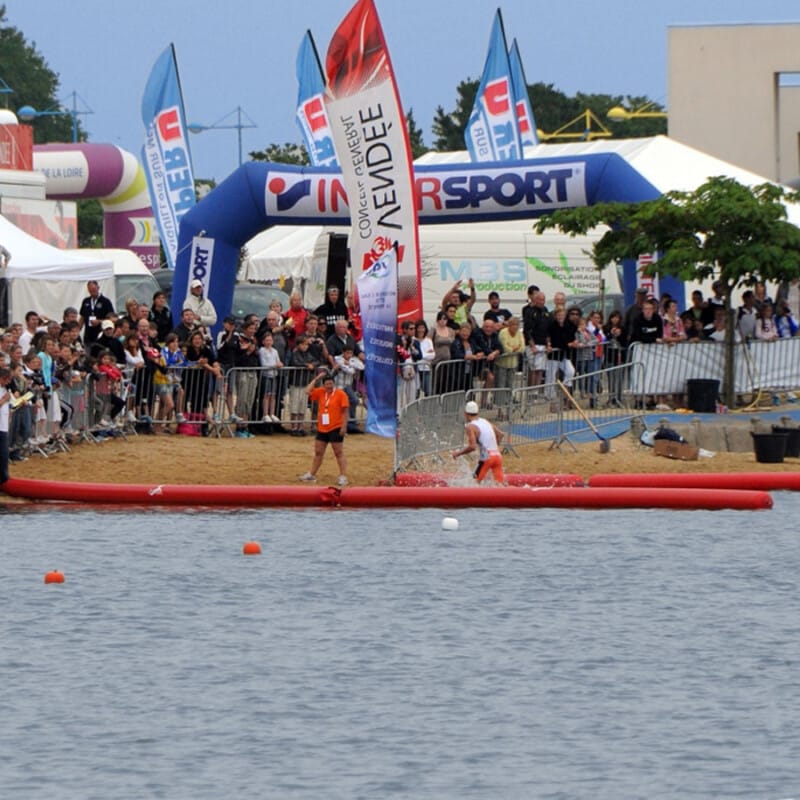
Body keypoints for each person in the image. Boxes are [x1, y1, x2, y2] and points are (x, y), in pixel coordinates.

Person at [298, 371, 349, 486]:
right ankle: (312, 474)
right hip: (322, 427)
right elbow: (307, 391)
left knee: (338, 452)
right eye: (327, 384)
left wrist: (344, 426)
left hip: (335, 427)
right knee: (318, 452)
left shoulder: (341, 394)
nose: (329, 386)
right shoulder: (321, 392)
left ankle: (343, 476)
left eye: (331, 384)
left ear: (334, 384)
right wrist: (316, 379)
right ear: (324, 385)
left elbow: (345, 412)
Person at [452, 400, 505, 484]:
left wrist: (458, 453)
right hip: (497, 456)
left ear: (465, 414)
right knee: (501, 486)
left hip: (487, 458)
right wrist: (494, 446)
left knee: (474, 483)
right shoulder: (485, 421)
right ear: (477, 412)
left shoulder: (470, 426)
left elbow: (472, 447)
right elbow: (501, 434)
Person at [79, 280, 115, 347]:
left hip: (101, 335)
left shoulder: (105, 301)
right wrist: (78, 329)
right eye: (90, 290)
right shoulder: (86, 301)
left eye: (94, 289)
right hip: (88, 337)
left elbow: (113, 319)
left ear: (98, 288)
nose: (92, 291)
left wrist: (99, 321)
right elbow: (82, 318)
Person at [0, 366, 11, 484]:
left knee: (3, 455)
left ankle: (3, 478)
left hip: (3, 426)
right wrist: (4, 399)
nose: (8, 382)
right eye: (6, 379)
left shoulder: (4, 389)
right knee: (2, 454)